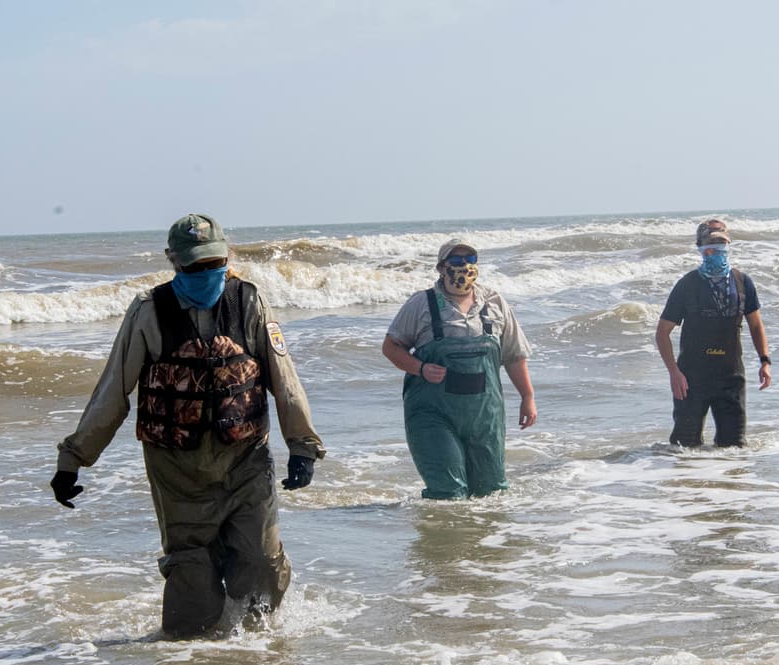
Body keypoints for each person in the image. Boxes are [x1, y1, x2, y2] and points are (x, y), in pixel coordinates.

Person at [49, 213, 325, 638]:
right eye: (193, 267)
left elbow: (283, 378)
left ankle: (260, 657)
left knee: (261, 563)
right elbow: (113, 390)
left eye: (213, 265)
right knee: (191, 577)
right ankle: (189, 662)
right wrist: (74, 459)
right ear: (173, 262)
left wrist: (302, 446)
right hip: (177, 470)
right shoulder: (147, 312)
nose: (205, 274)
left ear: (227, 258)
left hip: (245, 460)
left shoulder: (249, 301)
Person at [381, 240, 537, 499]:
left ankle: (481, 539)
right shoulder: (422, 304)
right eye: (456, 261)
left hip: (485, 416)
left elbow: (514, 355)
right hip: (433, 415)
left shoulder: (495, 302)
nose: (464, 266)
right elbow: (391, 347)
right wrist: (420, 368)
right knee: (447, 493)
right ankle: (444, 538)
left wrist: (528, 398)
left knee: (491, 493)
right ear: (441, 267)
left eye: (470, 260)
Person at [655, 219, 771, 447]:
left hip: (731, 378)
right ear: (700, 248)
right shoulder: (687, 285)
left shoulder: (742, 282)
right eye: (710, 247)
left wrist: (765, 361)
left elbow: (756, 325)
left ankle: (725, 483)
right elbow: (662, 333)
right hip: (691, 379)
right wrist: (674, 372)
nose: (716, 252)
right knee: (683, 448)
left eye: (721, 246)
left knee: (735, 449)